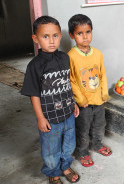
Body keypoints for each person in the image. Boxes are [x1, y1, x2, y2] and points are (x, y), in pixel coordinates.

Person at [21, 16, 80, 184]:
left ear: (60, 36)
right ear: (36, 38)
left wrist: (73, 102)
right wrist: (40, 118)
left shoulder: (64, 58)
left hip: (68, 113)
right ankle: (53, 172)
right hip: (50, 118)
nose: (51, 41)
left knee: (69, 145)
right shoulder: (35, 65)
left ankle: (65, 166)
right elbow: (34, 94)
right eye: (45, 36)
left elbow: (66, 84)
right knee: (50, 151)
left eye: (55, 35)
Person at [68, 14, 112, 167]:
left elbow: (102, 74)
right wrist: (80, 99)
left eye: (88, 32)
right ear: (72, 35)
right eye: (80, 33)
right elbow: (71, 80)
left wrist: (104, 93)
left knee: (100, 125)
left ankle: (97, 144)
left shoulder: (98, 54)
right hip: (83, 104)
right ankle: (82, 152)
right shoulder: (71, 57)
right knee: (83, 128)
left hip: (98, 100)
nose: (85, 37)